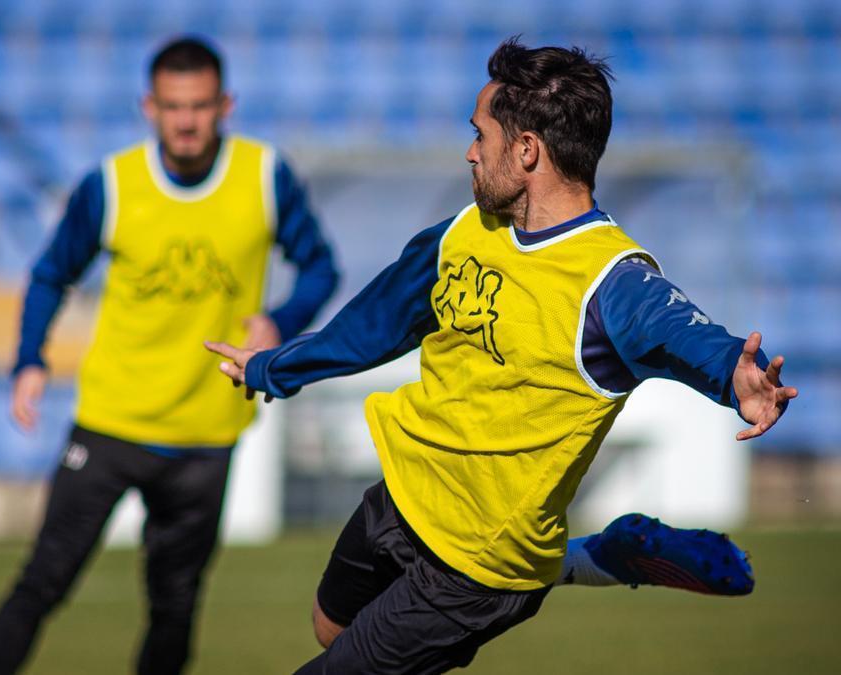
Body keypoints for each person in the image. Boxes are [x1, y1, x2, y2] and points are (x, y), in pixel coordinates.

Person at [207, 37, 796, 674]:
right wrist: (274, 367)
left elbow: (684, 333)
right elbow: (375, 322)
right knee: (329, 629)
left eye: (479, 133)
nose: (469, 150)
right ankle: (596, 557)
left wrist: (735, 371)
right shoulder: (466, 231)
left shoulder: (611, 280)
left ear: (526, 150)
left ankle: (561, 566)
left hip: (479, 567)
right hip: (404, 494)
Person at [0, 37, 340, 675]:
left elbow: (319, 268)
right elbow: (51, 273)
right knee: (42, 583)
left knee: (175, 607)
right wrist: (30, 359)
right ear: (149, 106)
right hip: (112, 425)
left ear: (225, 104)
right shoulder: (112, 186)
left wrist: (280, 320)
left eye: (199, 106)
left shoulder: (263, 176)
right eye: (173, 106)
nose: (187, 121)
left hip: (206, 435)